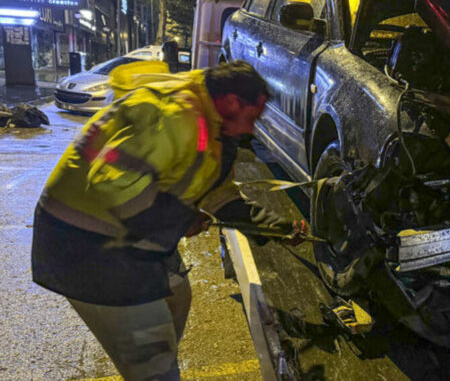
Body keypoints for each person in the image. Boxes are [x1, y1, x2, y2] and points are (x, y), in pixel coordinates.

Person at [32, 60, 304, 380]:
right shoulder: (174, 116)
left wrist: (274, 227)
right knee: (153, 361)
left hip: (126, 237)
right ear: (231, 102)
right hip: (85, 245)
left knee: (175, 296)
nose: (252, 129)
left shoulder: (213, 120)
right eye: (253, 118)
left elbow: (218, 194)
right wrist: (181, 219)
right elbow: (110, 187)